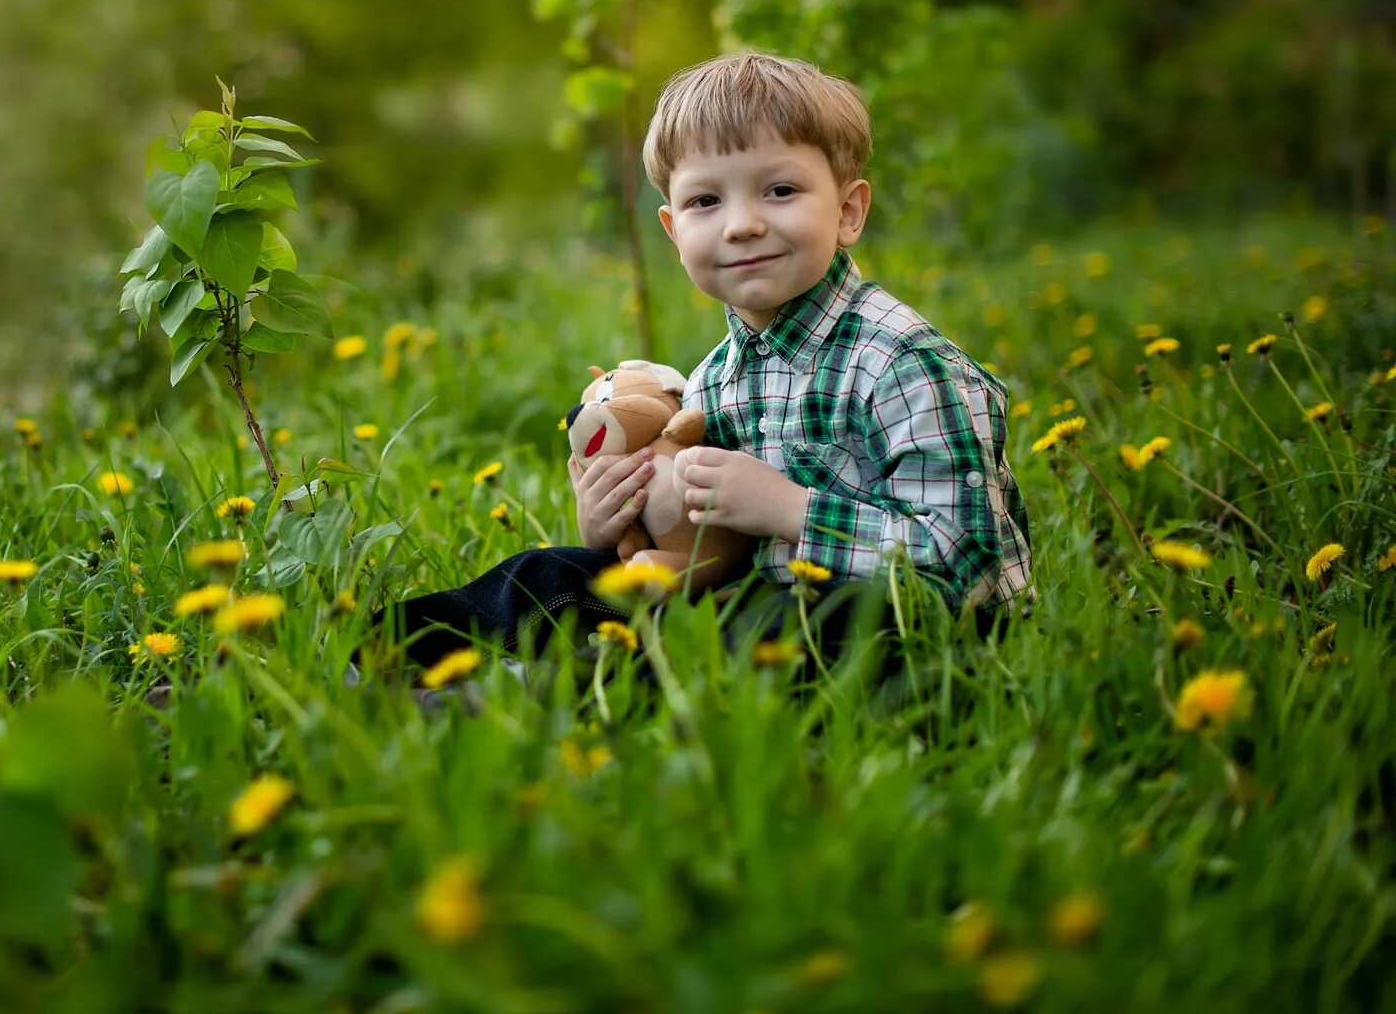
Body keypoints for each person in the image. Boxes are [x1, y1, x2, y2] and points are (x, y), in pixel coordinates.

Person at [384, 52, 1033, 671]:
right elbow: (707, 555)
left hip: (907, 632)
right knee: (551, 572)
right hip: (751, 605)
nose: (741, 225)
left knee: (801, 618)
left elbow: (969, 566)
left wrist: (790, 511)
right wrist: (617, 529)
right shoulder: (714, 381)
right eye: (706, 201)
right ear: (673, 230)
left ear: (847, 211)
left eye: (779, 190)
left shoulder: (903, 364)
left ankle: (552, 689)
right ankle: (378, 650)